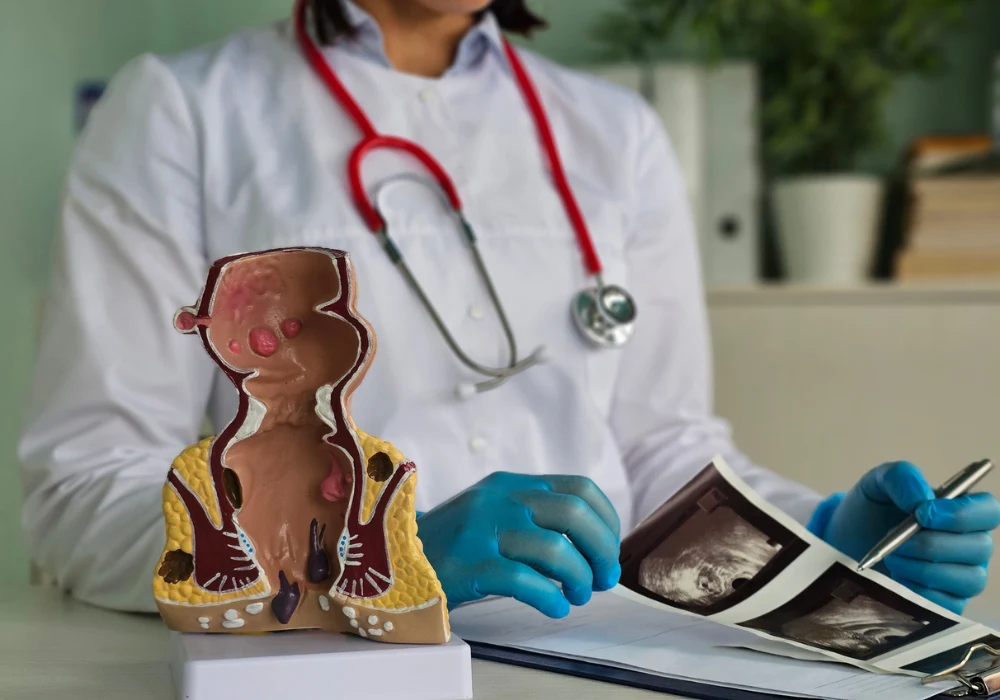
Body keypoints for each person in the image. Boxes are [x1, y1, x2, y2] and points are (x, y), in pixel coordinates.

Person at [19, 0, 1000, 618]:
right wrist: (368, 552)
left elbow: (657, 457)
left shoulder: (615, 133)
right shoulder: (181, 113)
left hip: (602, 660)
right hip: (335, 659)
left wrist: (824, 544)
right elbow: (82, 486)